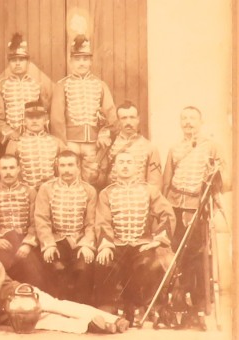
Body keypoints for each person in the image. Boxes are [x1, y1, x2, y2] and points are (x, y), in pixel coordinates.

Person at [0, 234, 128, 334]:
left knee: (61, 307)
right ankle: (96, 326)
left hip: (23, 296)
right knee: (50, 323)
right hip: (9, 314)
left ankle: (115, 320)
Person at [96, 151, 176, 324]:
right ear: (115, 167)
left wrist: (157, 240)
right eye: (121, 162)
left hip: (142, 243)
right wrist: (106, 244)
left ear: (136, 167)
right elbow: (103, 221)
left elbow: (167, 214)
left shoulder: (149, 190)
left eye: (129, 162)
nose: (125, 166)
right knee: (105, 262)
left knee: (146, 264)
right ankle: (113, 308)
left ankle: (141, 306)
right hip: (116, 244)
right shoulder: (106, 193)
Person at [162, 106, 224, 317]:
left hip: (197, 206)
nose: (188, 122)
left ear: (201, 121)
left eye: (193, 118)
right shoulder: (175, 148)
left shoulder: (212, 146)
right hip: (175, 205)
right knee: (176, 251)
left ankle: (198, 300)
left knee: (196, 253)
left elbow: (221, 177)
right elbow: (167, 180)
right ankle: (177, 298)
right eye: (184, 118)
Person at [50, 35, 118, 185]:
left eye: (85, 59)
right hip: (70, 142)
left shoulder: (100, 85)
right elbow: (56, 119)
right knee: (68, 178)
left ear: (91, 61)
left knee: (92, 179)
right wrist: (63, 144)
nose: (82, 63)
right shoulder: (62, 85)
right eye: (77, 59)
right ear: (71, 61)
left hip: (93, 143)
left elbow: (111, 115)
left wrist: (104, 133)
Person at [33, 150, 98, 303]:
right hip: (57, 240)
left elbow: (91, 223)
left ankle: (82, 309)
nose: (66, 170)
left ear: (78, 167)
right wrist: (48, 244)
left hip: (80, 240)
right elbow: (41, 219)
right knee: (54, 264)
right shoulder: (46, 188)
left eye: (70, 165)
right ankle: (57, 309)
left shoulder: (89, 190)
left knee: (84, 266)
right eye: (62, 165)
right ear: (57, 167)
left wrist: (87, 244)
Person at [0, 153, 50, 290]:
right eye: (4, 168)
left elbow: (36, 220)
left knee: (34, 269)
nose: (8, 172)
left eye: (11, 168)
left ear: (18, 169)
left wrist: (28, 244)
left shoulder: (30, 192)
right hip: (2, 242)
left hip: (25, 239)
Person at [0, 33, 53, 153]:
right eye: (13, 60)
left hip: (35, 136)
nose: (17, 63)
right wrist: (10, 133)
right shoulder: (0, 86)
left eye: (21, 60)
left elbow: (46, 112)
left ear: (28, 62)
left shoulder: (38, 85)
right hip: (11, 139)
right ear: (9, 63)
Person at [102, 101, 162, 190]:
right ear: (118, 121)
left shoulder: (150, 148)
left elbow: (155, 183)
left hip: (139, 198)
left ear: (138, 119)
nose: (128, 122)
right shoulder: (109, 145)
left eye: (132, 117)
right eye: (124, 118)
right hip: (114, 197)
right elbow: (100, 177)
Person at [5, 102, 64, 190]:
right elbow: (8, 170)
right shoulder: (15, 143)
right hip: (25, 191)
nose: (34, 121)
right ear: (24, 121)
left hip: (51, 191)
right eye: (30, 117)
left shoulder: (56, 142)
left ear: (45, 120)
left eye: (38, 117)